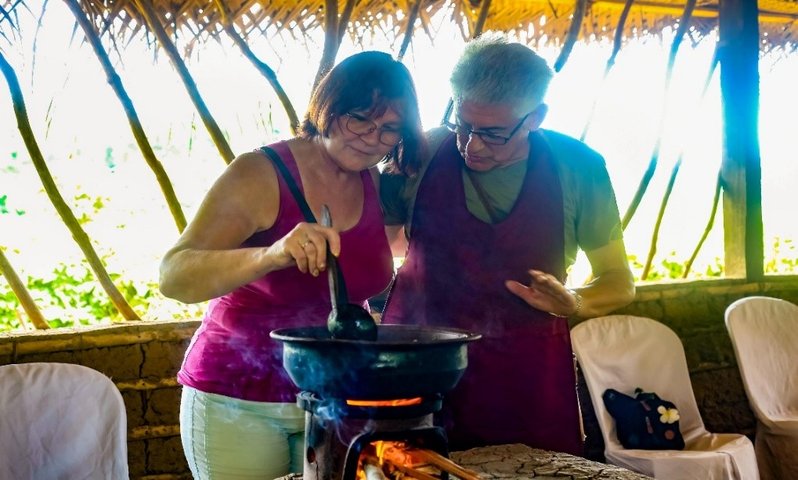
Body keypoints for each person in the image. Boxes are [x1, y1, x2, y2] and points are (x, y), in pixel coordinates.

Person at [159, 51, 424, 479]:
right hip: (237, 398)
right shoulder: (261, 173)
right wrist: (273, 254)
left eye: (389, 128)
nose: (372, 138)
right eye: (359, 118)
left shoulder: (371, 180)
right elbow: (174, 276)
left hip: (331, 400)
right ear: (328, 107)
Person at [379, 32, 636, 455]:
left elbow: (618, 281)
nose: (471, 145)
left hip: (526, 381)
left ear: (536, 117)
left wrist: (572, 302)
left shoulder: (579, 167)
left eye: (493, 133)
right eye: (463, 125)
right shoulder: (424, 152)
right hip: (419, 373)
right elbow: (374, 248)